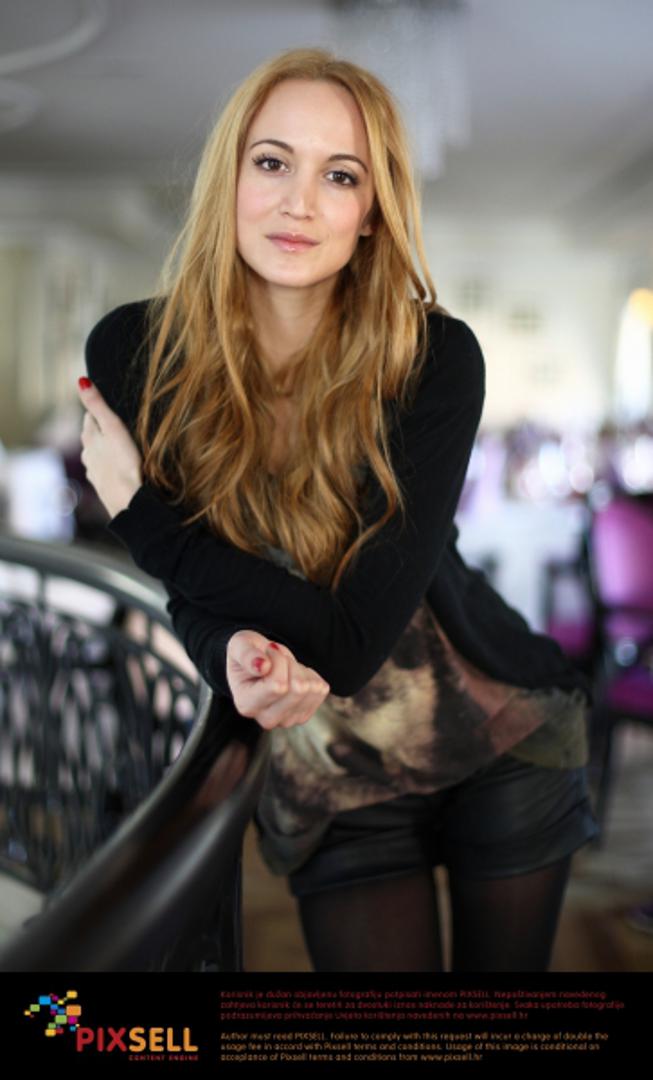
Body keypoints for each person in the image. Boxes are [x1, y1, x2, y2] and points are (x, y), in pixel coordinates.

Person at [77, 46, 599, 972]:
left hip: (496, 735)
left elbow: (349, 646)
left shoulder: (432, 358)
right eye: (272, 161)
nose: (299, 202)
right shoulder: (137, 353)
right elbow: (200, 593)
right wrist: (223, 651)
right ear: (228, 177)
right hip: (328, 766)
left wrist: (136, 514)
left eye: (341, 175)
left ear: (371, 212)